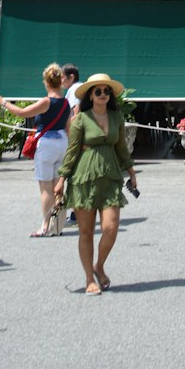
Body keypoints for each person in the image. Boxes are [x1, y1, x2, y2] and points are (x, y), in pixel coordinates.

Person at [53, 73, 138, 296]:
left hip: (110, 176)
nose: (102, 94)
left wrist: (131, 171)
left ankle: (99, 265)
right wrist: (61, 179)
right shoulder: (80, 119)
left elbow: (121, 147)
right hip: (83, 177)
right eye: (98, 91)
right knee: (86, 232)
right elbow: (72, 150)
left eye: (106, 91)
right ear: (91, 95)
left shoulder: (116, 118)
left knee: (111, 227)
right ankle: (89, 278)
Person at [0, 64, 71, 235]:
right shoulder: (66, 103)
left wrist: (1, 100)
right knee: (58, 185)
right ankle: (58, 225)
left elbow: (21, 112)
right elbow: (69, 127)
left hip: (47, 144)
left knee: (45, 187)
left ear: (46, 82)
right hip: (62, 142)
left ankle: (45, 226)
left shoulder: (46, 101)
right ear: (60, 82)